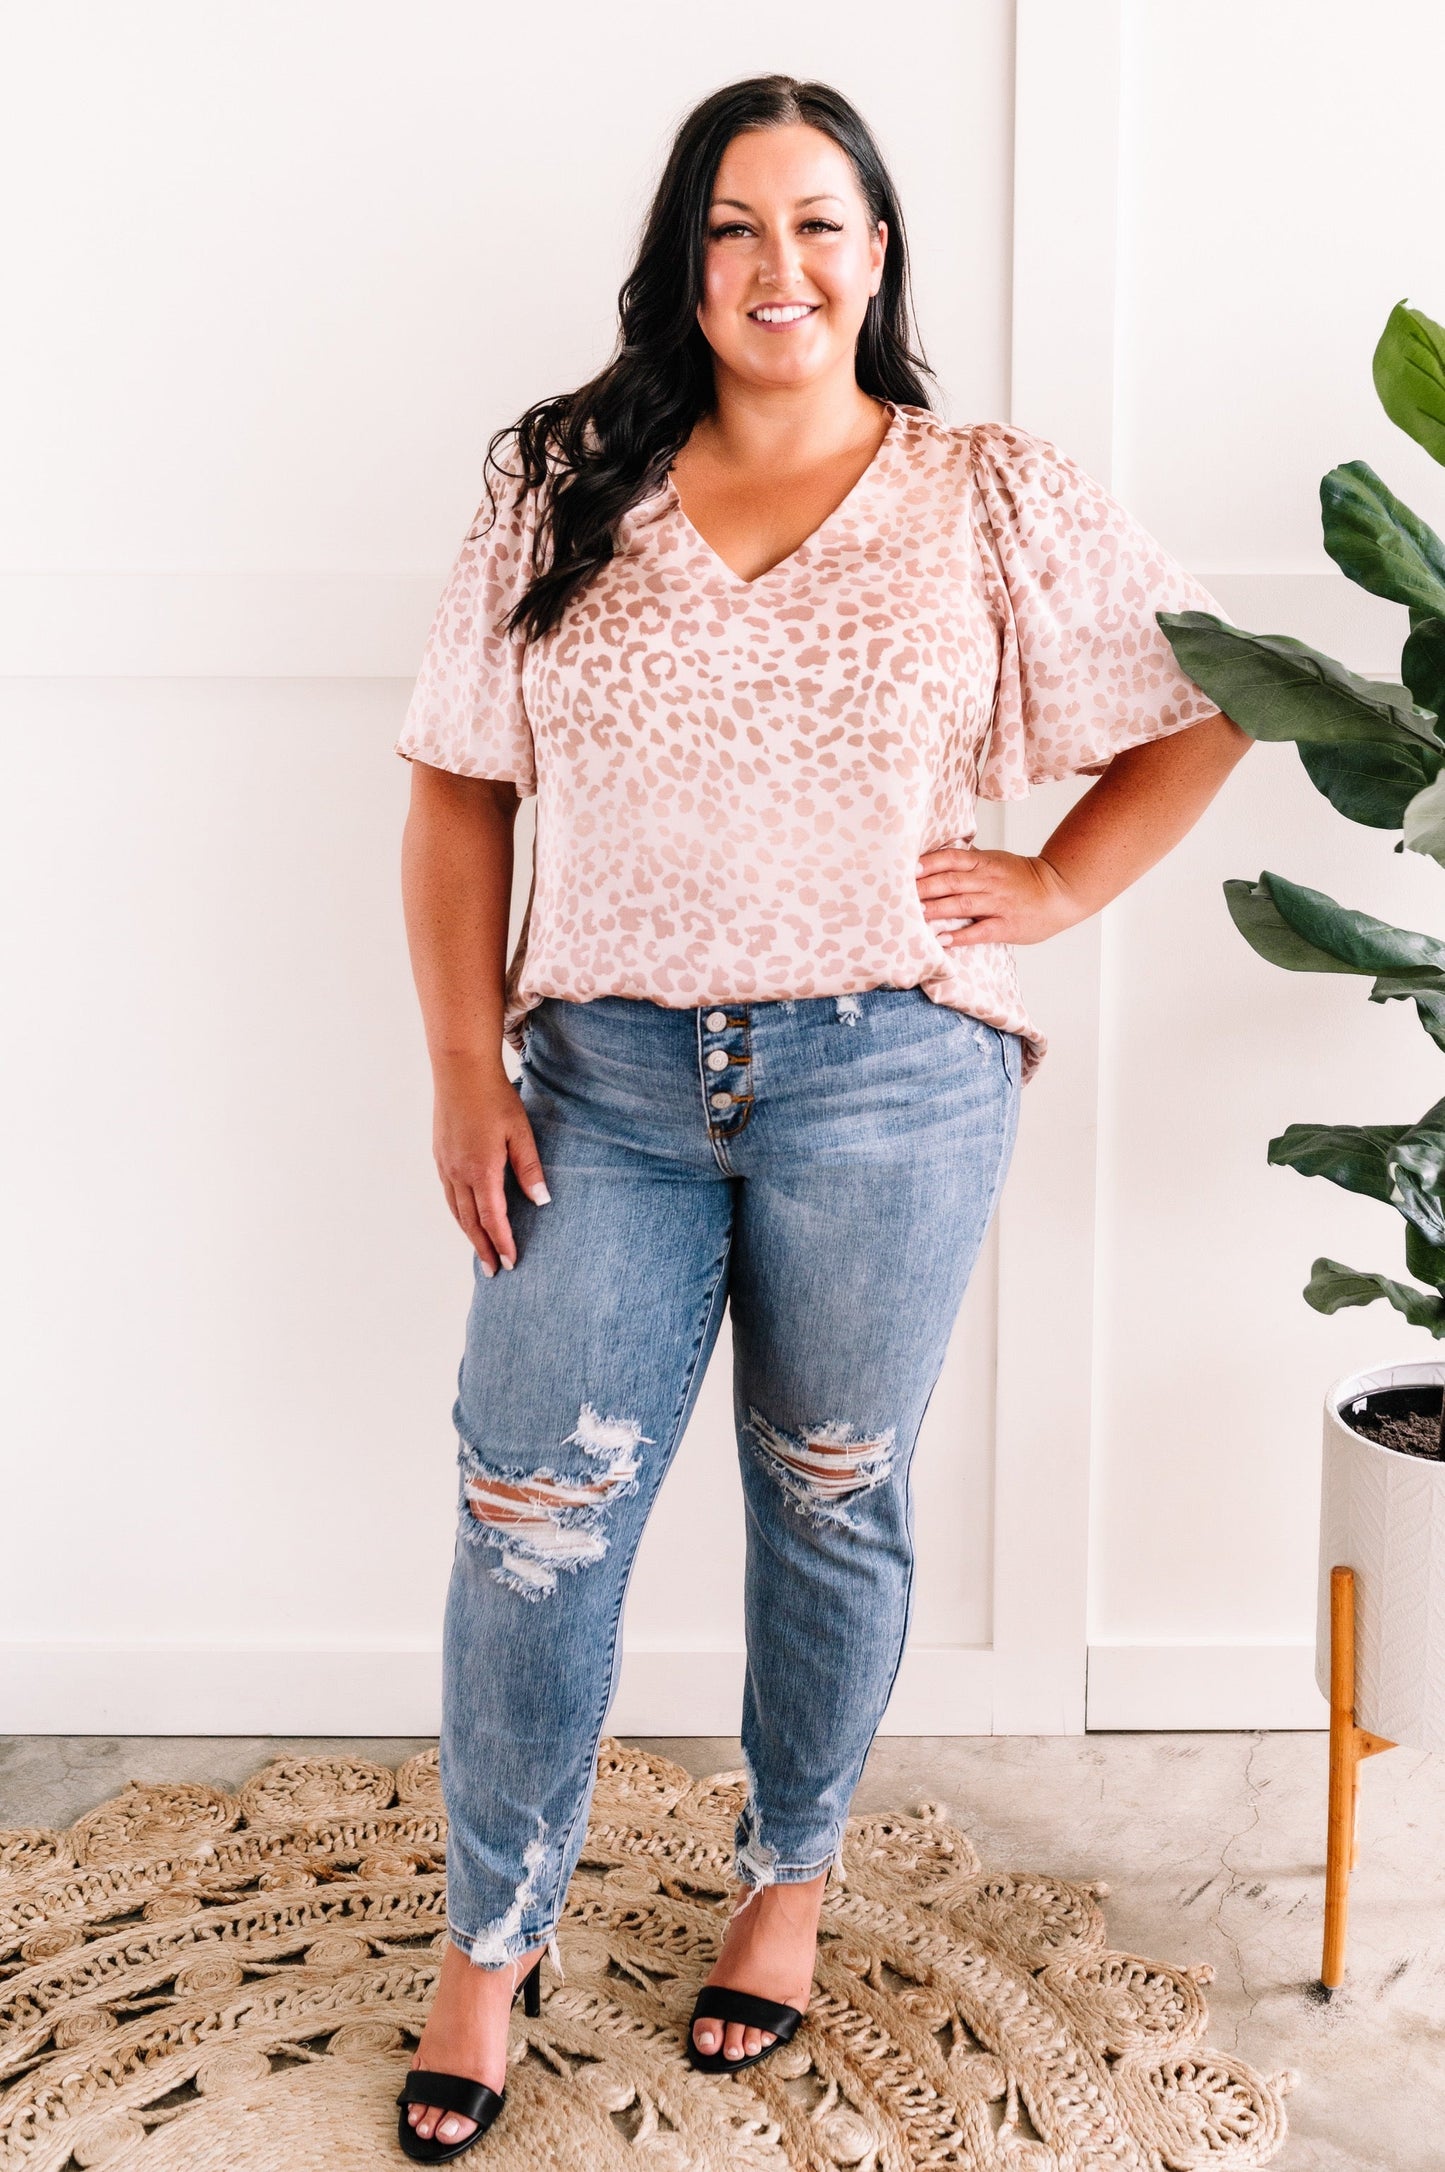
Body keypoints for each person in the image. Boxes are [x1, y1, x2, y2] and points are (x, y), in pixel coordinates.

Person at [393, 73, 1249, 2160]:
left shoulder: (989, 491)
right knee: (532, 1509)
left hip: (894, 1072)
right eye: (737, 228)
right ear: (685, 260)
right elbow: (454, 787)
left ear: (878, 255)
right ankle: (488, 1946)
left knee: (831, 1487)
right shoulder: (557, 489)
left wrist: (1051, 884)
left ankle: (788, 1886)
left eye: (822, 224)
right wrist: (454, 1067)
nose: (782, 268)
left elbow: (1200, 709)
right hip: (598, 1078)